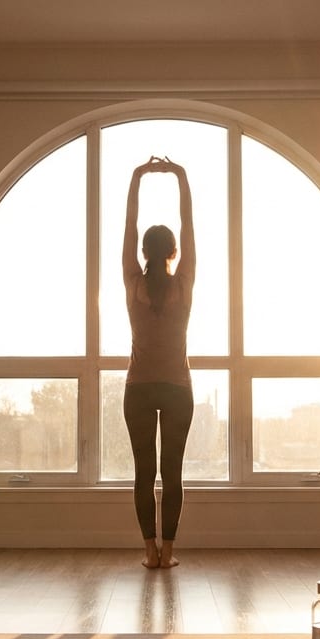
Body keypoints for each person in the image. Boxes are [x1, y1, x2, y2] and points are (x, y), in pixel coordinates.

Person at [122, 156, 195, 569]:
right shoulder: (184, 284)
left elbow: (127, 229)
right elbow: (191, 229)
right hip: (177, 389)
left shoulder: (133, 282)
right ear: (173, 251)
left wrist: (137, 179)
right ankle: (168, 552)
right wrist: (181, 179)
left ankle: (150, 552)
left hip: (138, 389)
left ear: (143, 252)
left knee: (144, 473)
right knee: (172, 473)